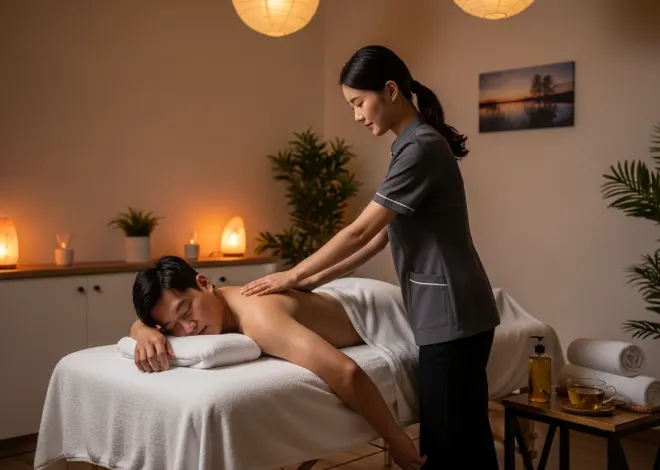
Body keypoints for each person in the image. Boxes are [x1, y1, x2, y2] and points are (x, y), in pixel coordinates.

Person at [240, 45, 501, 470]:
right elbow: (379, 238)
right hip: (453, 311)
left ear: (391, 90)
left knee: (450, 447)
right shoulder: (408, 146)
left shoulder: (420, 148)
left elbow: (360, 230)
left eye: (358, 102)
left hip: (452, 313)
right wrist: (314, 281)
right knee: (468, 443)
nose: (357, 115)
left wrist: (293, 274)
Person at [129, 255, 425, 470]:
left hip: (383, 307)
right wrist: (143, 331)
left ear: (204, 283)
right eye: (173, 327)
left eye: (186, 310)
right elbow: (145, 324)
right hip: (334, 294)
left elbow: (345, 372)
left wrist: (394, 437)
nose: (188, 328)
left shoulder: (260, 320)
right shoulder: (214, 307)